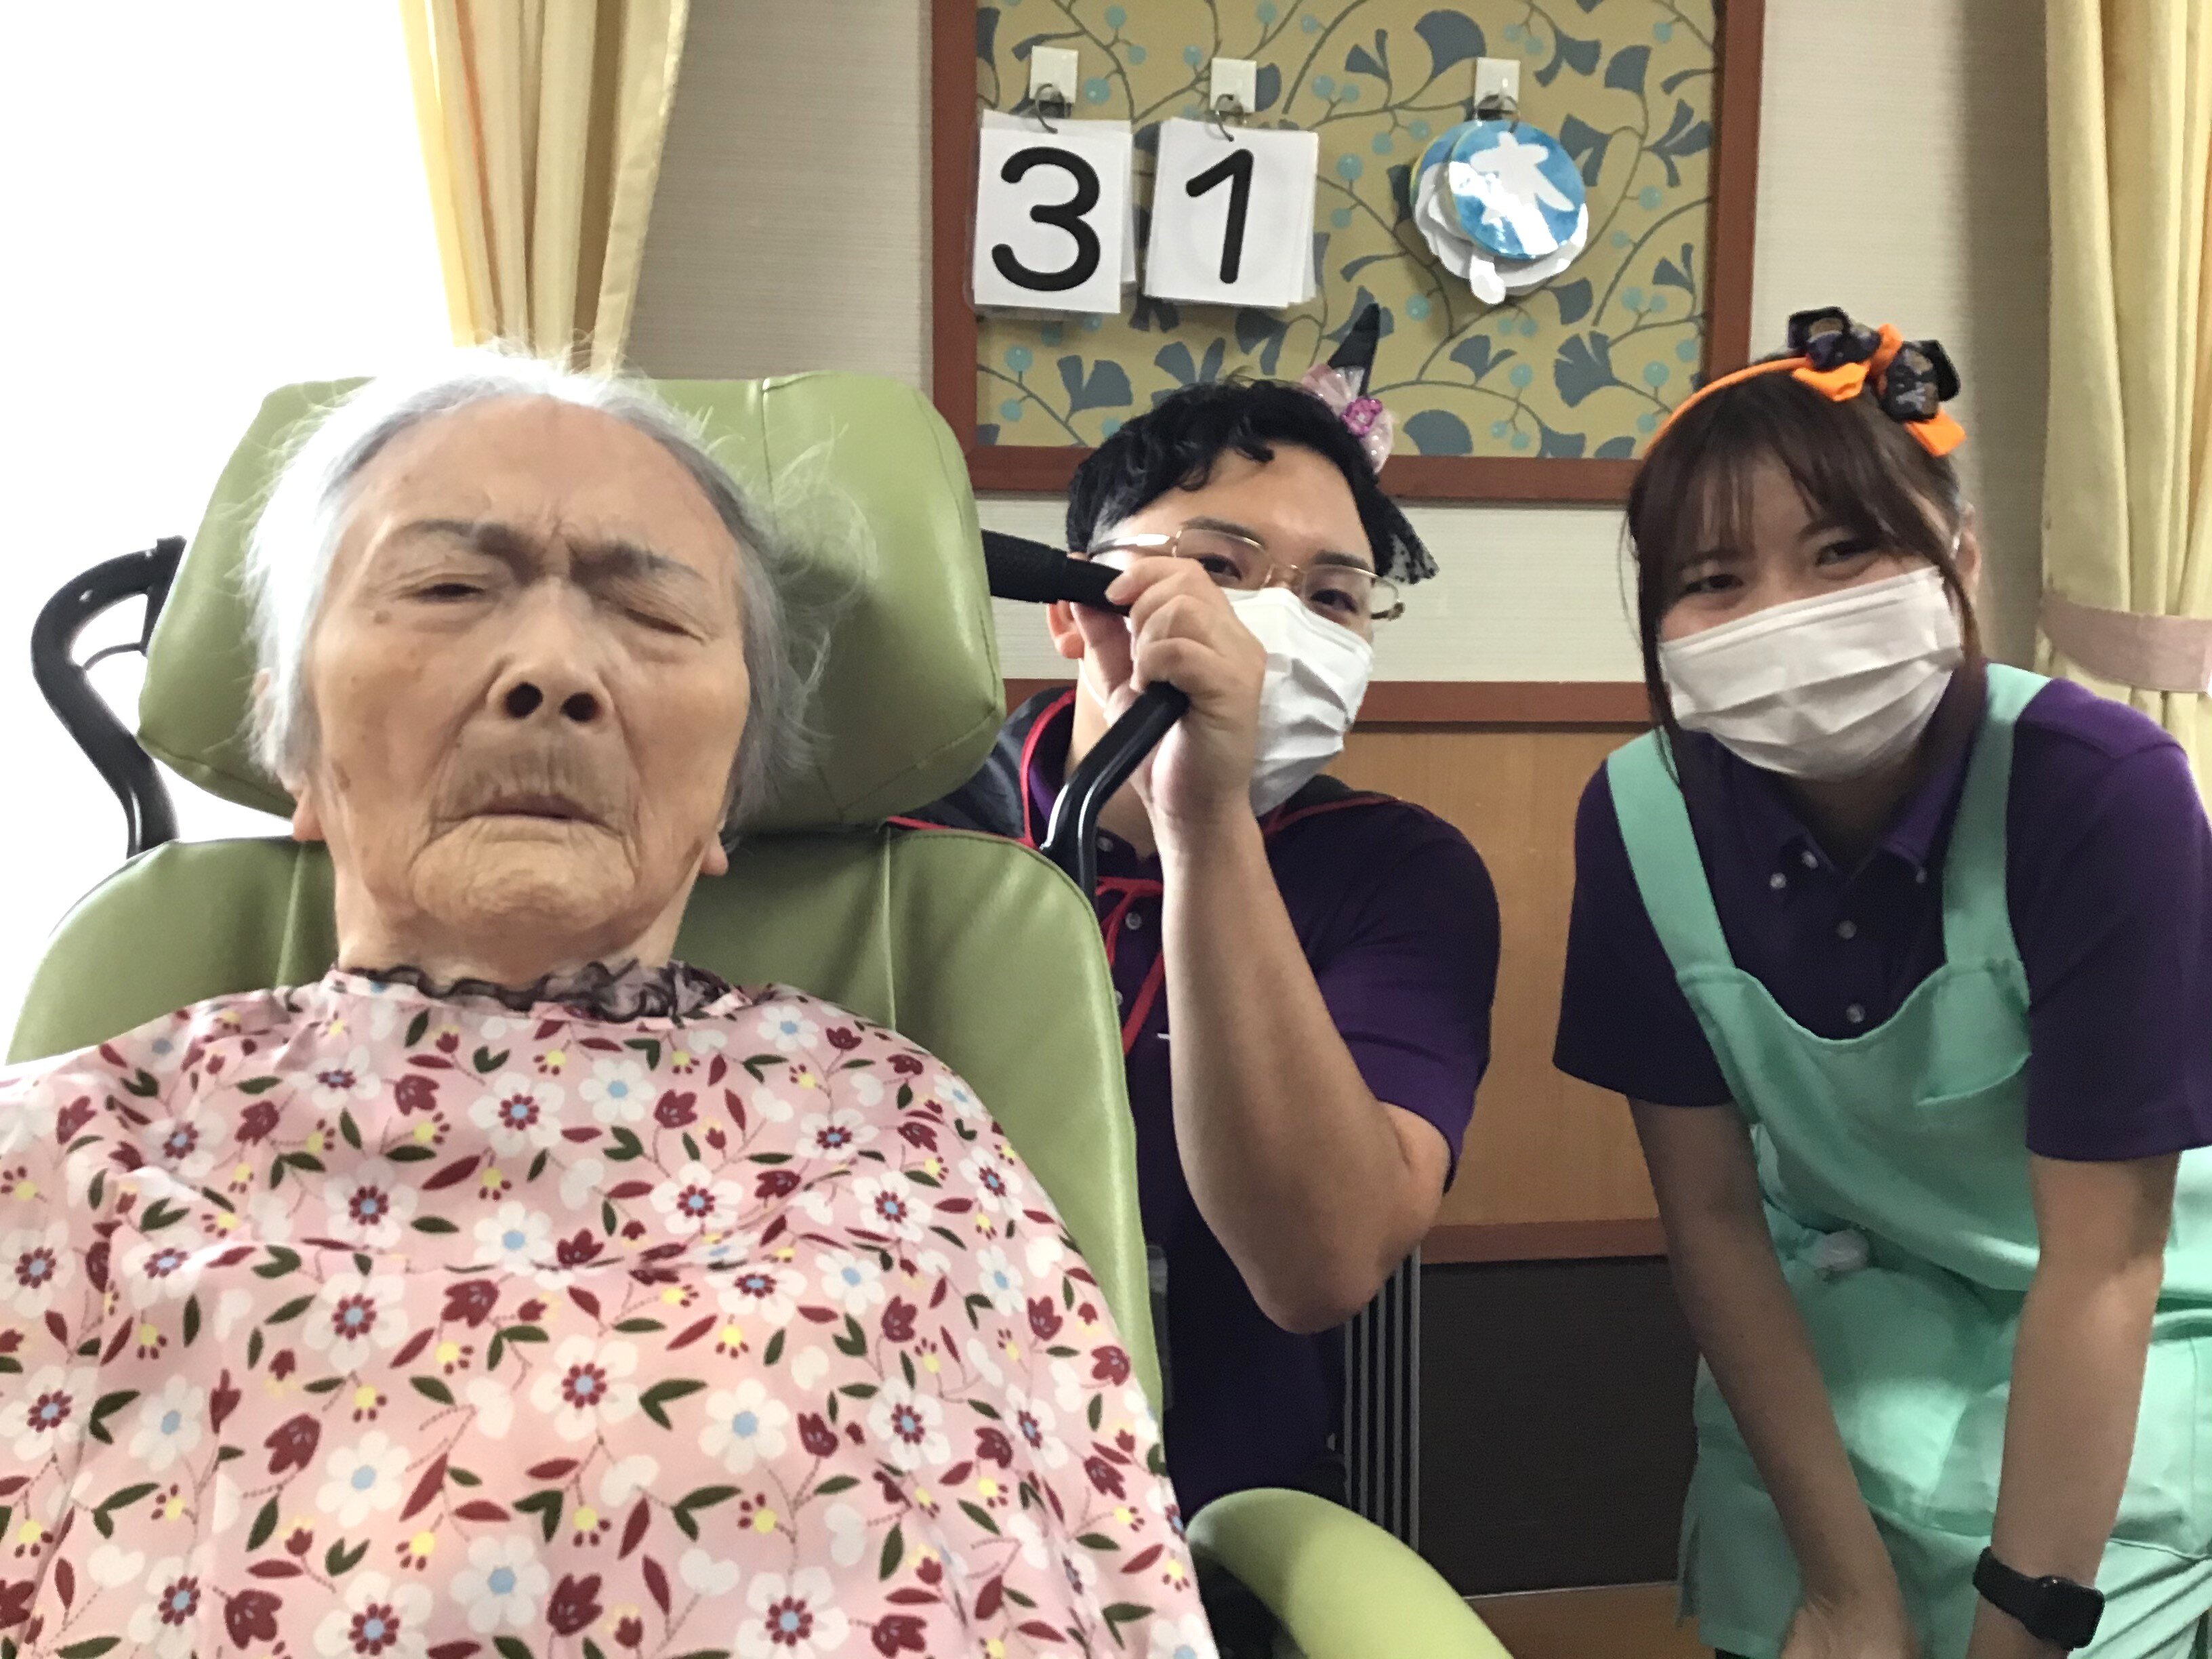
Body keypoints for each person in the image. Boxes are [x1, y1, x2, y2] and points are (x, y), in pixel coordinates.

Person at [0, 356, 1217, 1658]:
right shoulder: (67, 1151)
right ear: (292, 733)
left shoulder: (903, 1127)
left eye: (650, 613)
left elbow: (1108, 1588)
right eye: (449, 589)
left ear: (730, 788)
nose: (552, 669)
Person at [1554, 308, 2212, 1659]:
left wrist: (2022, 1630)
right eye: (1715, 578)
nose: (1784, 616)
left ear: (1960, 555)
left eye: (1843, 551)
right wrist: (1842, 1584)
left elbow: (2107, 1262)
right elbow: (1714, 1219)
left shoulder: (2099, 793)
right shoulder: (1640, 817)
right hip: (1835, 1326)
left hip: (2126, 1323)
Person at [918, 316, 1499, 1521]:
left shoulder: (1397, 873)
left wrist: (1204, 815)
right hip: (904, 1480)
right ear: (1073, 608)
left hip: (1221, 1522)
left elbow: (1322, 1266)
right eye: (1220, 569)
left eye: (1334, 596)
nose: (1268, 625)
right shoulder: (907, 819)